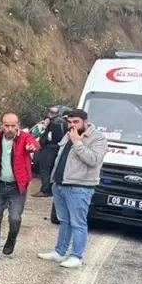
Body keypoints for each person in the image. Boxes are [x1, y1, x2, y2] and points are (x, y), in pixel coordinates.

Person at [39, 108, 108, 268]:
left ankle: (77, 256)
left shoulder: (98, 139)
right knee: (64, 221)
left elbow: (93, 160)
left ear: (86, 122)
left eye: (76, 122)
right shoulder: (68, 134)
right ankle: (59, 252)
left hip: (80, 187)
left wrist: (77, 142)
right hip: (60, 184)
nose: (72, 125)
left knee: (78, 223)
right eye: (69, 122)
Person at [0, 113, 39, 261]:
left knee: (15, 218)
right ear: (1, 125)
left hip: (17, 187)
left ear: (18, 125)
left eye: (13, 125)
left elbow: (34, 144)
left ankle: (11, 238)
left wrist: (32, 146)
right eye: (7, 125)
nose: (10, 129)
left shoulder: (25, 138)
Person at [35, 106, 67, 197]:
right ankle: (51, 190)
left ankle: (45, 190)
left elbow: (48, 137)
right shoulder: (64, 122)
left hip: (49, 149)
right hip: (58, 148)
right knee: (52, 170)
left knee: (44, 170)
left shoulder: (53, 122)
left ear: (51, 113)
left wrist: (42, 141)